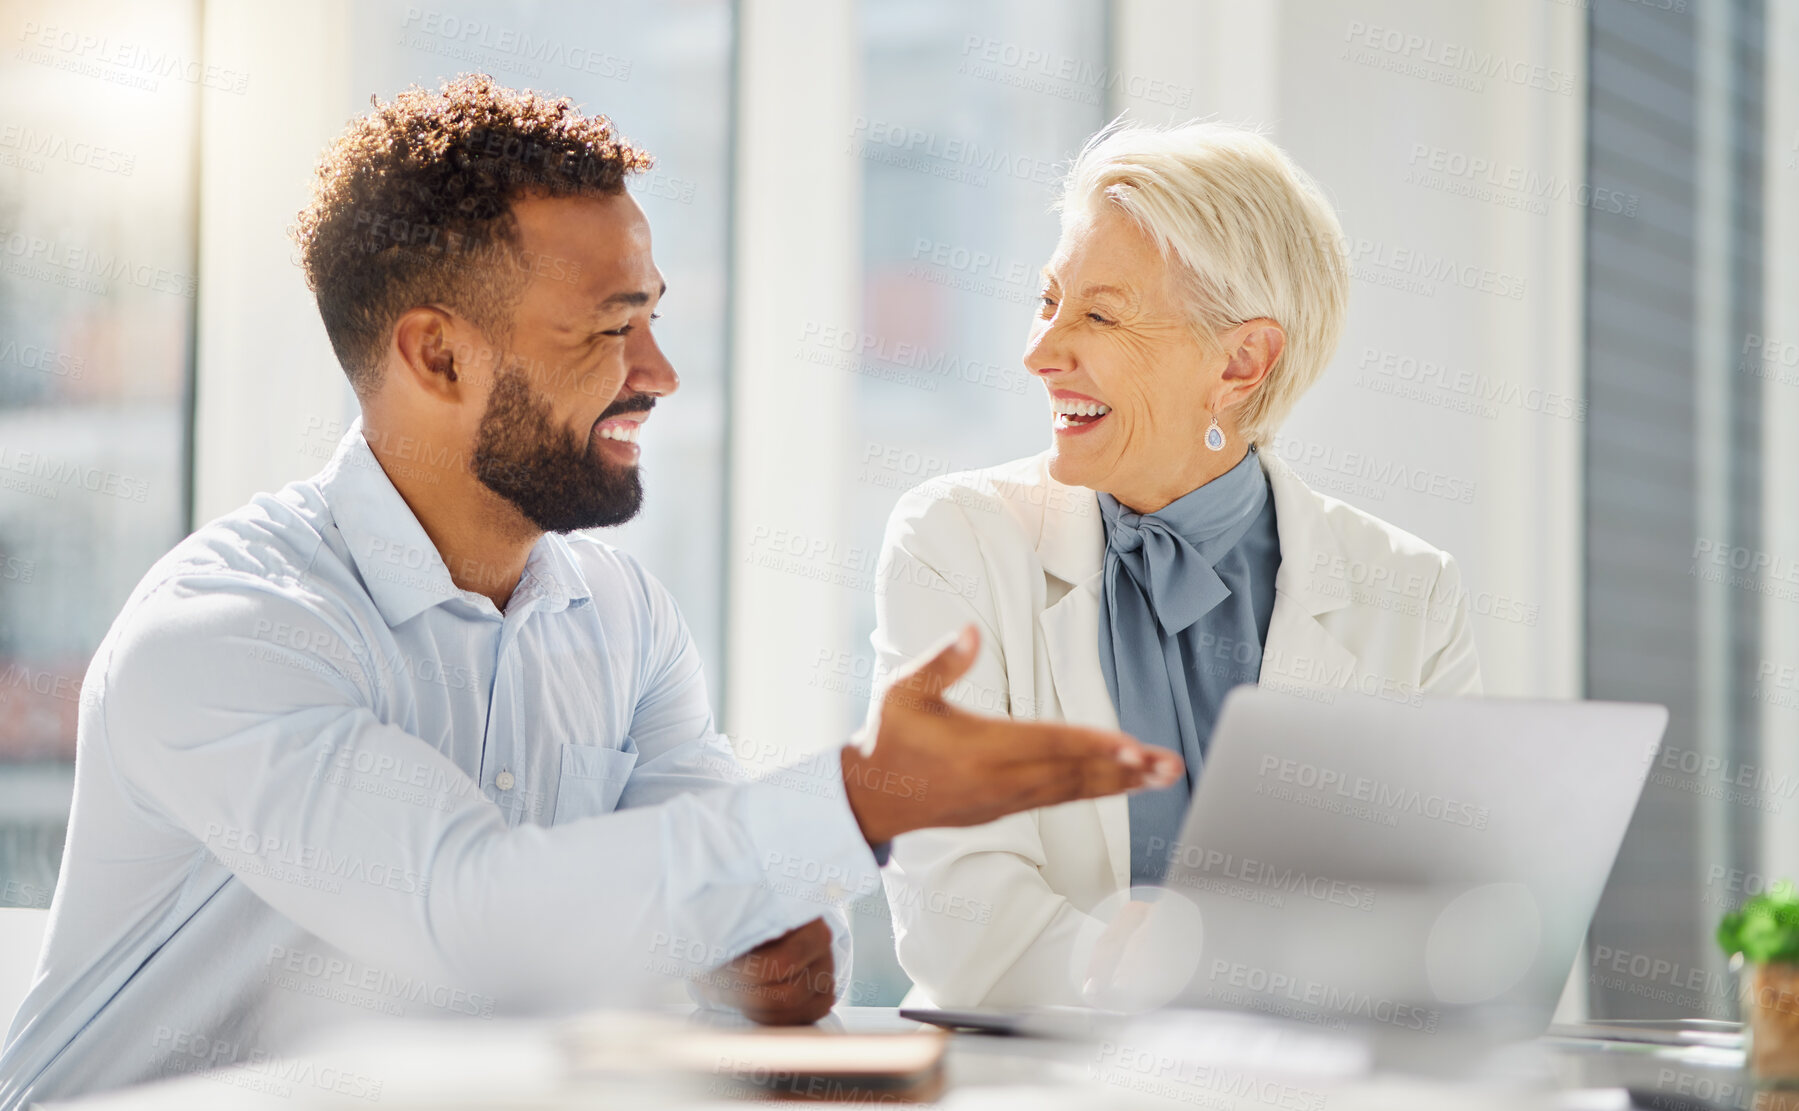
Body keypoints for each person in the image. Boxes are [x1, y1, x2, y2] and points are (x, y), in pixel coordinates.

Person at [0, 76, 1182, 1108]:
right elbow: (472, 922)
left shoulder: (619, 618)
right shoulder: (230, 632)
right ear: (437, 356)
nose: (658, 375)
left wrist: (748, 946)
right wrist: (860, 797)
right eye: (611, 330)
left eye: (654, 317)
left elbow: (755, 933)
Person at [870, 120, 1483, 1008]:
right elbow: (953, 912)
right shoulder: (955, 540)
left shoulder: (1410, 593)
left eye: (1099, 314)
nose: (1039, 353)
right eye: (1048, 300)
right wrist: (1189, 973)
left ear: (1240, 362)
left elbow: (1451, 927)